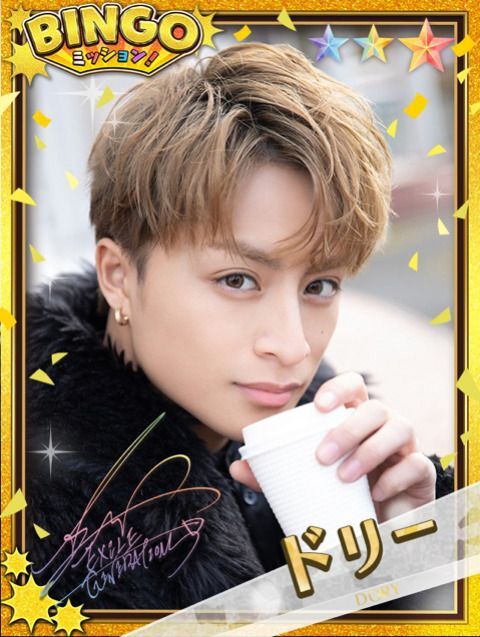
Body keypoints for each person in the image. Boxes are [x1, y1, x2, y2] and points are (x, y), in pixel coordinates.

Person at [25, 42, 453, 610]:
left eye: (319, 286)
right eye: (237, 280)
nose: (292, 347)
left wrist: (405, 556)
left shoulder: (324, 439)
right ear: (119, 277)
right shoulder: (35, 515)